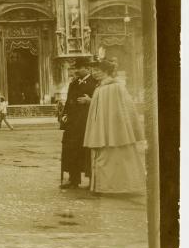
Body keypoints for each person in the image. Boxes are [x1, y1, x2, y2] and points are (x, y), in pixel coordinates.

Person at [83, 58, 146, 194]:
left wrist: (120, 127)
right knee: (105, 157)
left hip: (117, 130)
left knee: (117, 157)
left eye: (98, 70)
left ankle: (119, 187)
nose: (95, 73)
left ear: (106, 71)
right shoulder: (100, 88)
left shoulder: (115, 87)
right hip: (103, 130)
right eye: (93, 70)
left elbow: (125, 108)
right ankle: (106, 187)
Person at [59, 57, 98, 189]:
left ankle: (92, 179)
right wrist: (64, 115)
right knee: (72, 150)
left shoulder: (95, 83)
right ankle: (73, 179)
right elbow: (68, 101)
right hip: (73, 124)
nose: (76, 70)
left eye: (79, 68)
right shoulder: (73, 84)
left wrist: (89, 101)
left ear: (87, 68)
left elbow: (100, 102)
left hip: (87, 123)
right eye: (75, 68)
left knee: (87, 152)